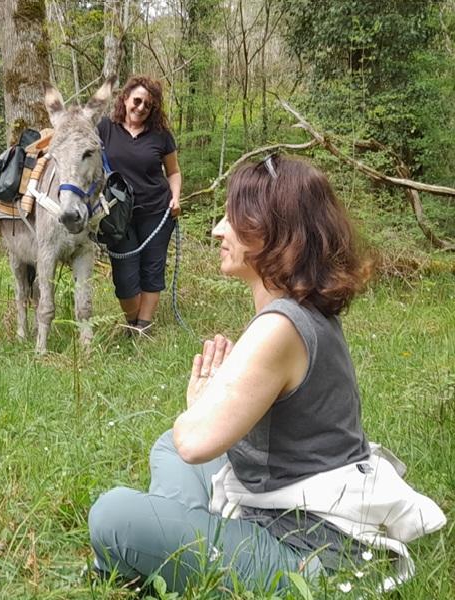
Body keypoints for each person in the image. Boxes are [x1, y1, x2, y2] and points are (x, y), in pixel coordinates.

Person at [88, 155, 445, 593]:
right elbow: (188, 445)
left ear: (272, 234)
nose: (218, 229)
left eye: (232, 220)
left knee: (112, 515)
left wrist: (199, 404)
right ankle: (182, 548)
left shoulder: (280, 327)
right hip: (295, 501)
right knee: (167, 450)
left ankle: (177, 556)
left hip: (306, 550)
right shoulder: (303, 308)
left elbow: (195, 440)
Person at [97, 76, 181, 335]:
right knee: (124, 275)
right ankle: (133, 322)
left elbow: (174, 172)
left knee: (152, 269)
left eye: (148, 105)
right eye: (137, 101)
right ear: (125, 99)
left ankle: (142, 328)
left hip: (157, 211)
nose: (142, 107)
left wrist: (176, 197)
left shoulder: (161, 136)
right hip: (117, 214)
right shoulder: (105, 129)